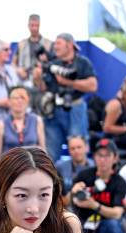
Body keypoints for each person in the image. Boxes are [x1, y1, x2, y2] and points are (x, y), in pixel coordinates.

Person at [32, 33, 98, 163]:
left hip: (75, 109)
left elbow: (93, 86)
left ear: (69, 45)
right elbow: (43, 87)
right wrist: (37, 77)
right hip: (54, 109)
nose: (54, 46)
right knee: (50, 152)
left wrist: (68, 82)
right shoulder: (53, 64)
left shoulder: (82, 62)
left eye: (58, 43)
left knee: (78, 148)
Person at [71, 138, 126, 233]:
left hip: (104, 225)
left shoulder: (119, 182)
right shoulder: (84, 175)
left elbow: (117, 213)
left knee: (114, 226)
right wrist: (74, 192)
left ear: (115, 158)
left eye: (107, 156)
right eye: (99, 155)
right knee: (72, 226)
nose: (103, 160)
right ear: (94, 157)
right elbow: (73, 201)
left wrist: (94, 205)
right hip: (84, 223)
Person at [0, 86, 45, 158]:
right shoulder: (1, 124)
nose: (19, 101)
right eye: (16, 98)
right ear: (9, 101)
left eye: (23, 98)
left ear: (28, 101)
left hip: (32, 165)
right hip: (10, 165)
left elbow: (43, 149)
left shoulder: (37, 120)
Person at [13, 14, 53, 87]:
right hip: (24, 81)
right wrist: (18, 70)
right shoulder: (21, 44)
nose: (34, 28)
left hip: (42, 82)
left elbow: (55, 62)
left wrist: (46, 62)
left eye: (36, 25)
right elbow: (13, 64)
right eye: (32, 25)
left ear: (40, 25)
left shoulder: (48, 44)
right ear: (28, 26)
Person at [55, 135, 93, 204]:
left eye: (79, 147)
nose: (76, 151)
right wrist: (73, 192)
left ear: (87, 148)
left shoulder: (95, 166)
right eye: (72, 148)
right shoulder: (60, 167)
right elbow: (57, 200)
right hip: (68, 209)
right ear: (68, 151)